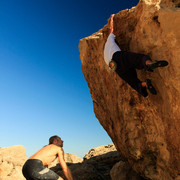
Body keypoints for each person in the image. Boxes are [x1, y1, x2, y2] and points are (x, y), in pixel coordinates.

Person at [104, 14, 168, 97]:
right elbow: (111, 29)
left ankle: (145, 84)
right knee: (137, 59)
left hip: (116, 69)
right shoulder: (109, 40)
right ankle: (149, 64)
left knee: (132, 81)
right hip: (117, 56)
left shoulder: (105, 53)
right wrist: (112, 18)